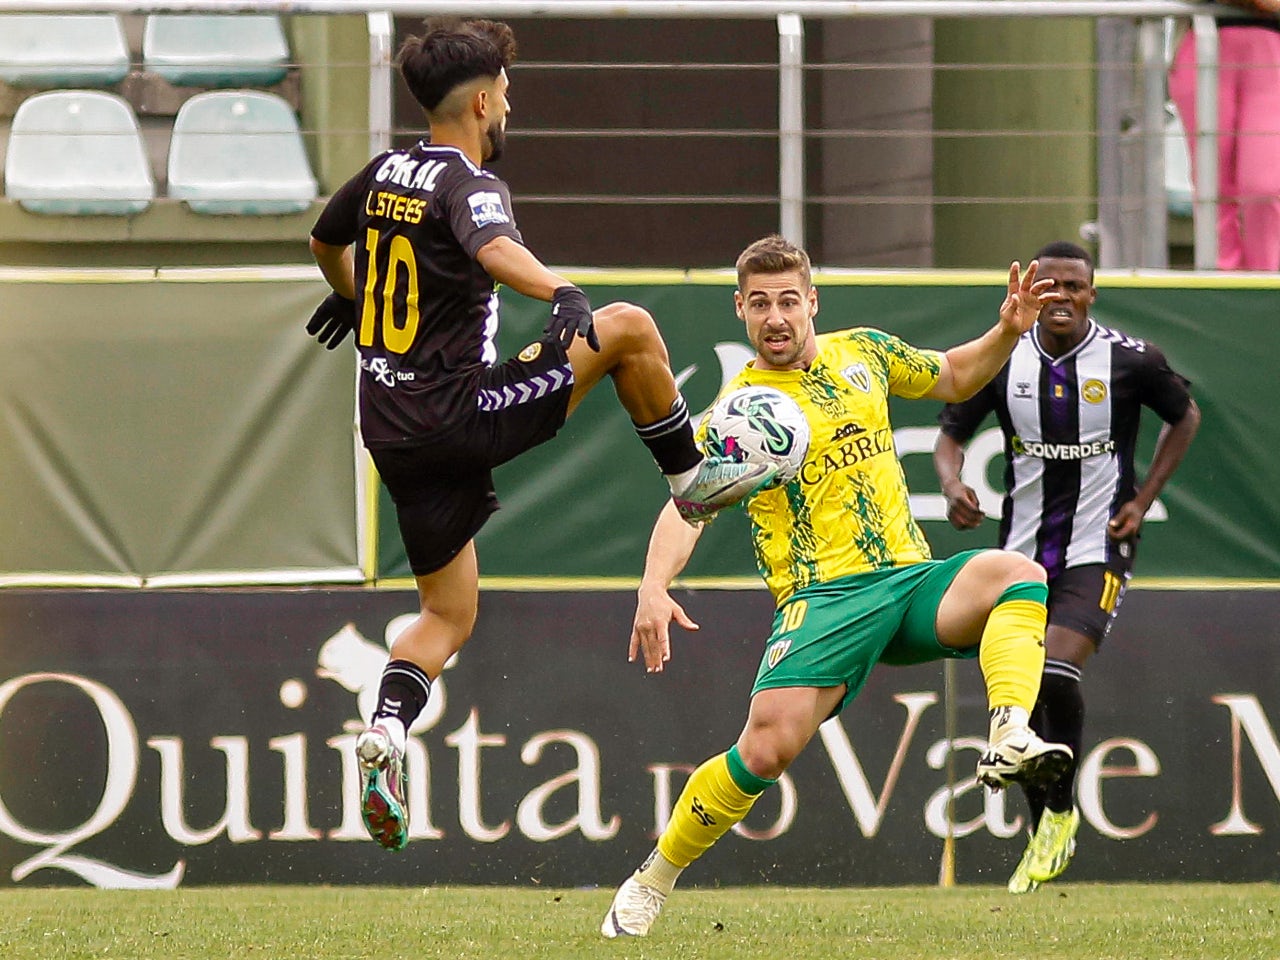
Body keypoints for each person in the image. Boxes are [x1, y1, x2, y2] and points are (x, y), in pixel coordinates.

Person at [305, 18, 772, 853]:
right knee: (626, 327)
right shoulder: (466, 178)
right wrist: (561, 289)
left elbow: (323, 239)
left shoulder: (384, 172)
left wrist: (353, 294)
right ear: (483, 100)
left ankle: (385, 726)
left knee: (446, 614)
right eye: (508, 93)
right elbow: (492, 245)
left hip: (389, 429)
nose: (509, 106)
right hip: (458, 414)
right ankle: (691, 481)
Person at [600, 234, 1072, 939]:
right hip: (822, 602)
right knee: (764, 752)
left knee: (1017, 575)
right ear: (740, 310)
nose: (776, 316)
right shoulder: (743, 410)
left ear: (812, 301)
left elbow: (952, 376)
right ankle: (653, 878)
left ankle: (1008, 730)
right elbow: (688, 500)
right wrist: (653, 584)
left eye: (788, 300)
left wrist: (1006, 331)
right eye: (759, 304)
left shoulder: (868, 354)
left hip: (910, 581)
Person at [934, 240, 1200, 895]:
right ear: (1030, 289)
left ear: (1091, 295)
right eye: (1048, 284)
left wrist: (1142, 500)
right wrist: (951, 483)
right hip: (1017, 556)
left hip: (1097, 544)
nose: (1060, 296)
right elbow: (950, 433)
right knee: (1017, 705)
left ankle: (1057, 816)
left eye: (1073, 286)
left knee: (1053, 670)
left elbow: (1185, 415)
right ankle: (1052, 819)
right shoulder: (1004, 360)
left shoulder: (1130, 361)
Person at [1168, 0, 1280, 271]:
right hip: (1204, 38)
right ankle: (1222, 280)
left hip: (1271, 46)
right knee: (1212, 186)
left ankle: (1268, 284)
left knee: (1265, 186)